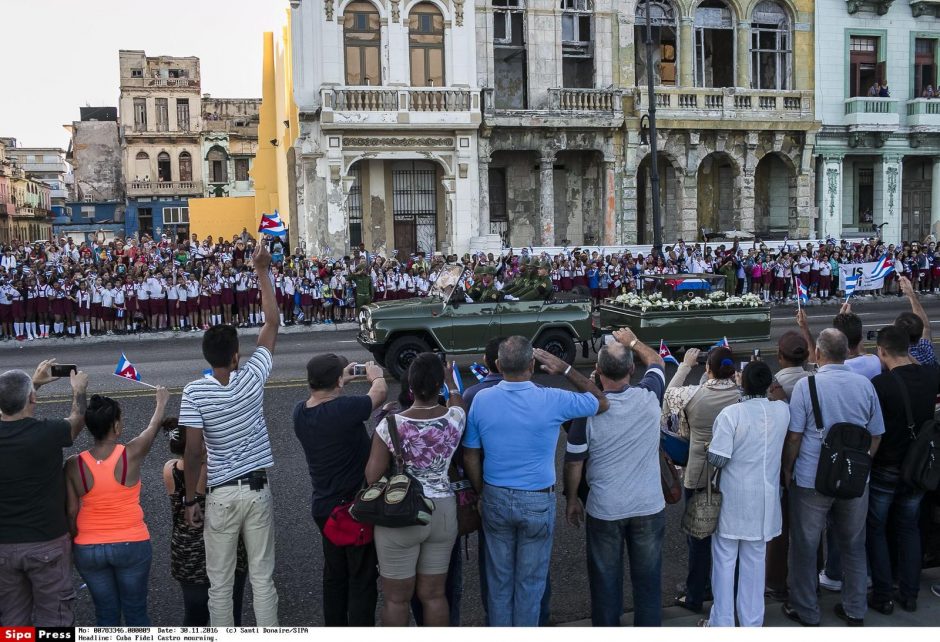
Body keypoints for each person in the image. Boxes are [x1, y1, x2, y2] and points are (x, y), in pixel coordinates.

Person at [463, 336, 609, 626]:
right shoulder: (552, 398)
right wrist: (566, 369)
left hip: (496, 494)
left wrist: (481, 492)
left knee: (499, 582)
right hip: (537, 499)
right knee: (531, 584)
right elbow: (601, 401)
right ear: (532, 364)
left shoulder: (481, 399)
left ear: (497, 365)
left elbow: (470, 456)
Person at [179, 241, 281, 626]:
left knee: (219, 584)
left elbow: (192, 453)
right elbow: (271, 323)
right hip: (257, 490)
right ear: (237, 356)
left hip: (220, 493)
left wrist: (191, 500)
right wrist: (261, 271)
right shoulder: (252, 377)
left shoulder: (194, 392)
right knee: (262, 578)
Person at [563, 328, 666, 626]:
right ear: (632, 370)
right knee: (648, 584)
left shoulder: (588, 410)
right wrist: (632, 341)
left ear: (597, 372)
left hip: (605, 508)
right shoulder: (649, 396)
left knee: (606, 583)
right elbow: (657, 361)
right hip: (648, 505)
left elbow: (574, 462)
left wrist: (572, 500)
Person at [782, 329, 885, 627]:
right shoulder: (864, 385)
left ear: (818, 353)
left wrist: (788, 469)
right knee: (854, 545)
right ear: (846, 352)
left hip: (813, 478)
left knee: (804, 545)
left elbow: (795, 437)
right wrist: (861, 464)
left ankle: (806, 610)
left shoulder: (807, 385)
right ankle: (855, 609)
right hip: (855, 480)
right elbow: (876, 434)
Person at [364, 353, 465, 626]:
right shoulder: (455, 419)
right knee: (434, 595)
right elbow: (457, 402)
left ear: (409, 386)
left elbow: (372, 476)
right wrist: (451, 383)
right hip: (442, 512)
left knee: (397, 599)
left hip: (402, 510)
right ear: (438, 386)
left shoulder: (391, 425)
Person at [293, 354, 388, 626]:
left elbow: (321, 394)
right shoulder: (344, 410)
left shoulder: (300, 412)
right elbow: (379, 393)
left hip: (324, 509)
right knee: (361, 577)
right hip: (354, 510)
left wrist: (340, 377)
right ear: (336, 381)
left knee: (334, 576)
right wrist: (375, 374)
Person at [65, 387, 169, 626]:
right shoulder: (129, 454)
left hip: (88, 548)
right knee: (135, 612)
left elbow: (71, 512)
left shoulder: (73, 465)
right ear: (116, 426)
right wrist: (161, 403)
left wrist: (75, 541)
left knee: (105, 614)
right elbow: (152, 428)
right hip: (131, 543)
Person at [0, 361, 88, 626]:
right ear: (32, 399)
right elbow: (77, 419)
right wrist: (78, 390)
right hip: (46, 541)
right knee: (55, 618)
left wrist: (33, 384)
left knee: (13, 618)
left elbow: (8, 404)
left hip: (3, 546)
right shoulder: (48, 433)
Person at [704, 362, 790, 627]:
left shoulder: (732, 414)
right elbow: (779, 397)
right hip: (765, 502)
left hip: (734, 500)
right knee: (755, 563)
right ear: (769, 384)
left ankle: (723, 622)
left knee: (724, 563)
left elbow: (717, 458)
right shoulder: (783, 411)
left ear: (742, 383)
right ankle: (752, 622)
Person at [661, 346, 740, 613]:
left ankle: (696, 594)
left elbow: (669, 395)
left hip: (699, 475)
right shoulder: (741, 397)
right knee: (729, 538)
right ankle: (727, 590)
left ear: (708, 370)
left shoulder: (695, 395)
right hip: (731, 476)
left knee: (699, 539)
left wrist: (684, 366)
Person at [867, 325, 939, 614]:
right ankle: (909, 593)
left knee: (877, 528)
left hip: (887, 464)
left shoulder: (880, 384)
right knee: (909, 526)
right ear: (908, 350)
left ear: (882, 352)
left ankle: (883, 593)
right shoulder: (932, 375)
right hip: (919, 466)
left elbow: (874, 430)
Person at [162, 418, 248, 626]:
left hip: (187, 554)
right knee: (230, 613)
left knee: (194, 617)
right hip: (223, 551)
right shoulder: (211, 471)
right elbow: (198, 501)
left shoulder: (169, 468)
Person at [896, 275, 936, 366]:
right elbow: (925, 326)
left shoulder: (896, 361)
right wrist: (911, 294)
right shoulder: (926, 352)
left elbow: (925, 327)